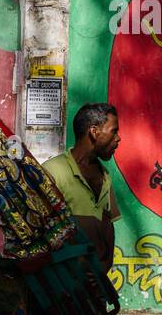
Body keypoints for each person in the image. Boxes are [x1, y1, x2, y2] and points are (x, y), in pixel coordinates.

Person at [42, 102, 121, 274]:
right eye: (114, 131)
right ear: (94, 132)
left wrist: (103, 267)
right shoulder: (53, 171)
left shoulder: (104, 175)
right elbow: (42, 232)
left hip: (97, 288)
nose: (118, 138)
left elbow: (108, 224)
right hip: (63, 287)